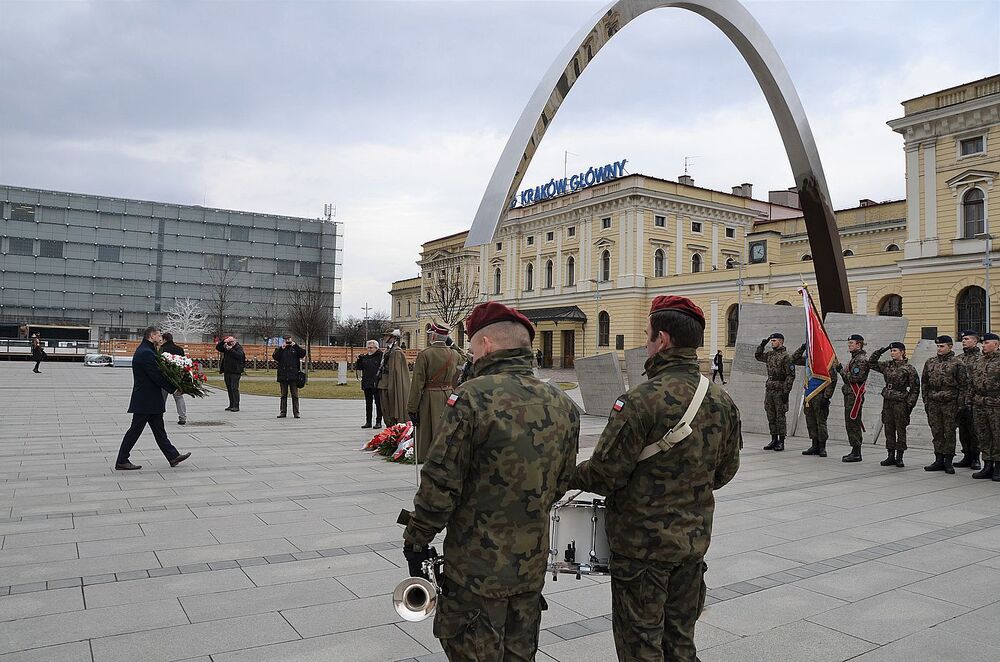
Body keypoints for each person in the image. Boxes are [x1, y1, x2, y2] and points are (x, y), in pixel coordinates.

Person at [402, 302, 579, 661]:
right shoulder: (562, 403)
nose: (470, 354)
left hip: (475, 569)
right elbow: (562, 482)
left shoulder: (472, 398)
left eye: (471, 346)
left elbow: (441, 481)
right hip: (529, 567)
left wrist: (417, 538)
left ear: (485, 344)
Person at [570, 295, 742, 661]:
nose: (645, 344)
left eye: (647, 335)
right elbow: (725, 471)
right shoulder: (721, 400)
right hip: (692, 544)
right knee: (680, 642)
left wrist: (567, 475)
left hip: (642, 550)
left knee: (641, 646)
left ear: (662, 340)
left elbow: (605, 474)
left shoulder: (640, 399)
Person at [115, 326, 191, 471]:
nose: (160, 338)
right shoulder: (146, 353)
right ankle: (122, 460)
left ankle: (173, 456)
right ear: (152, 336)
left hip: (150, 399)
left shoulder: (148, 350)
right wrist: (174, 389)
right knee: (135, 431)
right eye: (158, 335)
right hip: (145, 400)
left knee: (159, 430)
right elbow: (156, 376)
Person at [406, 322, 460, 462]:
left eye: (430, 334)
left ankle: (428, 458)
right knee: (446, 429)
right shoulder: (454, 354)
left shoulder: (425, 354)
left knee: (428, 432)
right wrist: (453, 344)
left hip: (429, 397)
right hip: (449, 395)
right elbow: (467, 358)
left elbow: (417, 384)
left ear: (434, 336)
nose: (429, 336)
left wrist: (412, 408)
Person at [921, 335, 970, 475]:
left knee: (949, 433)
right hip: (933, 402)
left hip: (950, 403)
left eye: (942, 346)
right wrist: (926, 400)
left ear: (950, 346)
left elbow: (963, 386)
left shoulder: (958, 363)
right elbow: (924, 383)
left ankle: (948, 461)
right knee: (936, 431)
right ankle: (938, 459)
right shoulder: (930, 362)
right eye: (938, 346)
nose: (939, 349)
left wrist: (960, 405)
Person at [869, 342, 920, 468]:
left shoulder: (909, 368)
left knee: (900, 429)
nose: (892, 353)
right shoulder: (887, 365)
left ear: (902, 352)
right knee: (888, 428)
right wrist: (881, 351)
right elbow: (871, 363)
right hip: (888, 401)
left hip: (900, 402)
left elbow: (915, 389)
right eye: (891, 351)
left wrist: (909, 405)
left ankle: (900, 456)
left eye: (895, 350)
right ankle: (890, 455)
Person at [790, 342, 838, 457]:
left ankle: (822, 447)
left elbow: (833, 379)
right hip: (809, 396)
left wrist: (826, 397)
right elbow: (793, 359)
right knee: (810, 421)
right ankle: (814, 445)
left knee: (821, 422)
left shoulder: (826, 362)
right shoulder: (809, 361)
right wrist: (802, 348)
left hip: (820, 396)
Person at [755, 332, 794, 451]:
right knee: (770, 415)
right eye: (771, 341)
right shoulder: (770, 354)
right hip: (770, 389)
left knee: (780, 416)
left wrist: (786, 391)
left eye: (774, 341)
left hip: (780, 390)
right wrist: (762, 345)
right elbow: (758, 356)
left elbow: (790, 375)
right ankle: (774, 439)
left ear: (781, 341)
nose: (772, 343)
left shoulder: (786, 357)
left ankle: (781, 441)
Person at [971, 332, 1000, 481]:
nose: (984, 345)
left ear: (996, 344)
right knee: (983, 435)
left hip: (996, 403)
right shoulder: (979, 361)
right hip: (980, 403)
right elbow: (972, 383)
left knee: (997, 435)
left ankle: (998, 466)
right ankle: (987, 465)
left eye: (987, 343)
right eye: (983, 343)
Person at [839, 334, 870, 463]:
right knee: (850, 422)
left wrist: (841, 371)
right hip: (850, 394)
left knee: (853, 422)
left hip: (854, 395)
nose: (849, 345)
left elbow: (855, 378)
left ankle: (857, 452)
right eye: (849, 343)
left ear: (859, 345)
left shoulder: (860, 360)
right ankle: (854, 450)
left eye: (851, 343)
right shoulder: (854, 358)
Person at [956, 330, 982, 470]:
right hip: (961, 400)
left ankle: (975, 458)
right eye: (963, 339)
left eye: (967, 339)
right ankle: (966, 455)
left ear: (975, 341)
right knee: (963, 429)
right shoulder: (959, 358)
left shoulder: (981, 358)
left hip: (974, 400)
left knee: (974, 430)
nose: (963, 341)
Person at [377, 329, 410, 426]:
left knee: (390, 407)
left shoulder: (396, 352)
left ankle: (393, 426)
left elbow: (396, 371)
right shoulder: (388, 350)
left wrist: (392, 385)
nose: (385, 338)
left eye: (387, 336)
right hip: (383, 383)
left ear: (393, 338)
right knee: (385, 408)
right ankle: (389, 426)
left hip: (390, 383)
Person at [273, 334, 306, 419]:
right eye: (286, 339)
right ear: (283, 340)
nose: (287, 341)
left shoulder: (295, 348)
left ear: (291, 339)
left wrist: (295, 345)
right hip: (283, 375)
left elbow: (303, 354)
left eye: (289, 339)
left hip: (293, 376)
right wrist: (282, 348)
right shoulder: (280, 349)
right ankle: (283, 412)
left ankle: (296, 412)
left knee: (295, 395)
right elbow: (275, 357)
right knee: (283, 395)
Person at [160, 332, 188, 425]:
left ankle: (159, 416)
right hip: (177, 377)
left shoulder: (162, 349)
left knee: (162, 398)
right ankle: (182, 417)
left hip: (165, 377)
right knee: (179, 397)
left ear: (164, 339)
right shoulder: (180, 349)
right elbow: (184, 363)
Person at [356, 340, 384, 428]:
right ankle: (368, 422)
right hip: (367, 383)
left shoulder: (381, 356)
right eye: (368, 348)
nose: (369, 349)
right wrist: (359, 360)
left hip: (377, 383)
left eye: (371, 348)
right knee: (368, 403)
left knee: (378, 403)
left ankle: (378, 422)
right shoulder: (365, 357)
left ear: (376, 348)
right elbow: (360, 368)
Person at [216, 335, 246, 412]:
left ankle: (236, 405)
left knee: (234, 388)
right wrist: (223, 341)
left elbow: (239, 356)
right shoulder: (226, 347)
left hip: (235, 371)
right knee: (229, 388)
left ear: (235, 341)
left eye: (232, 341)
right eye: (229, 342)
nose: (230, 343)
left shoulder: (238, 347)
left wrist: (230, 349)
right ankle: (231, 404)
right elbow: (218, 348)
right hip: (227, 371)